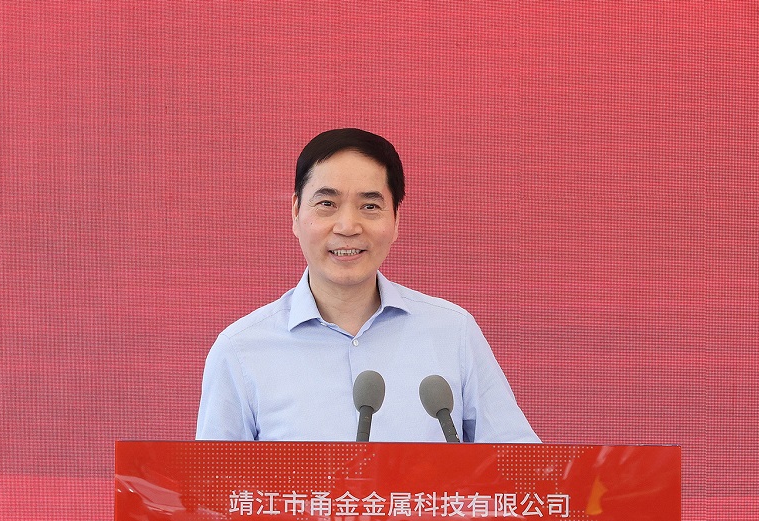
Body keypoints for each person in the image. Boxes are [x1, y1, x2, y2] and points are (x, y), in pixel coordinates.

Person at [196, 128, 539, 443]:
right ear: (296, 213)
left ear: (396, 220)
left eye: (370, 206)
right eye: (327, 204)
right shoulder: (240, 351)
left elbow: (520, 468)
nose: (348, 226)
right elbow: (214, 485)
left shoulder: (452, 332)